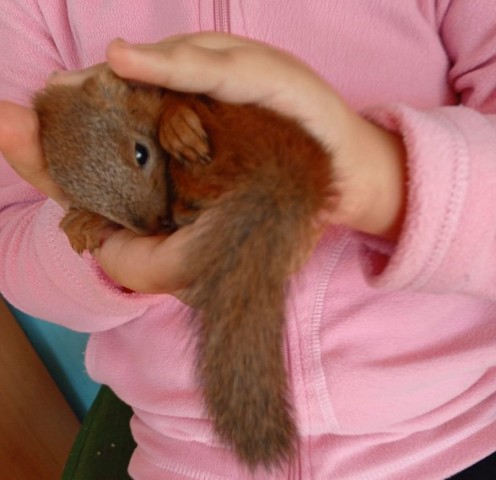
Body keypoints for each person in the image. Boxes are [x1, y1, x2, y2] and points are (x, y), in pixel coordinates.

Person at [1, 1, 496, 478]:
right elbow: (12, 233)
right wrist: (107, 266)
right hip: (191, 452)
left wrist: (377, 181)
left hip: (454, 423)